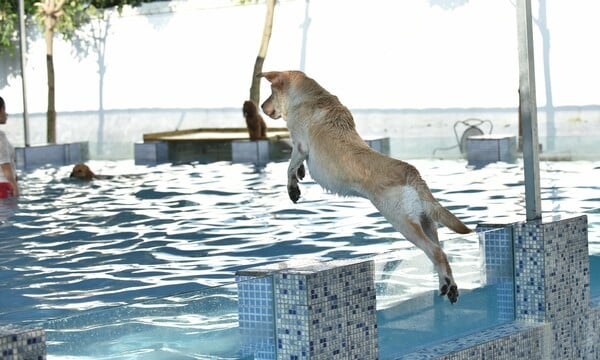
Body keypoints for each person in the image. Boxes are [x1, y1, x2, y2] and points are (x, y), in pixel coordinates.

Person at [0, 96, 18, 198]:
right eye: (4, 109)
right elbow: (5, 166)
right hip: (4, 186)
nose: (6, 114)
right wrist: (15, 188)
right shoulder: (0, 136)